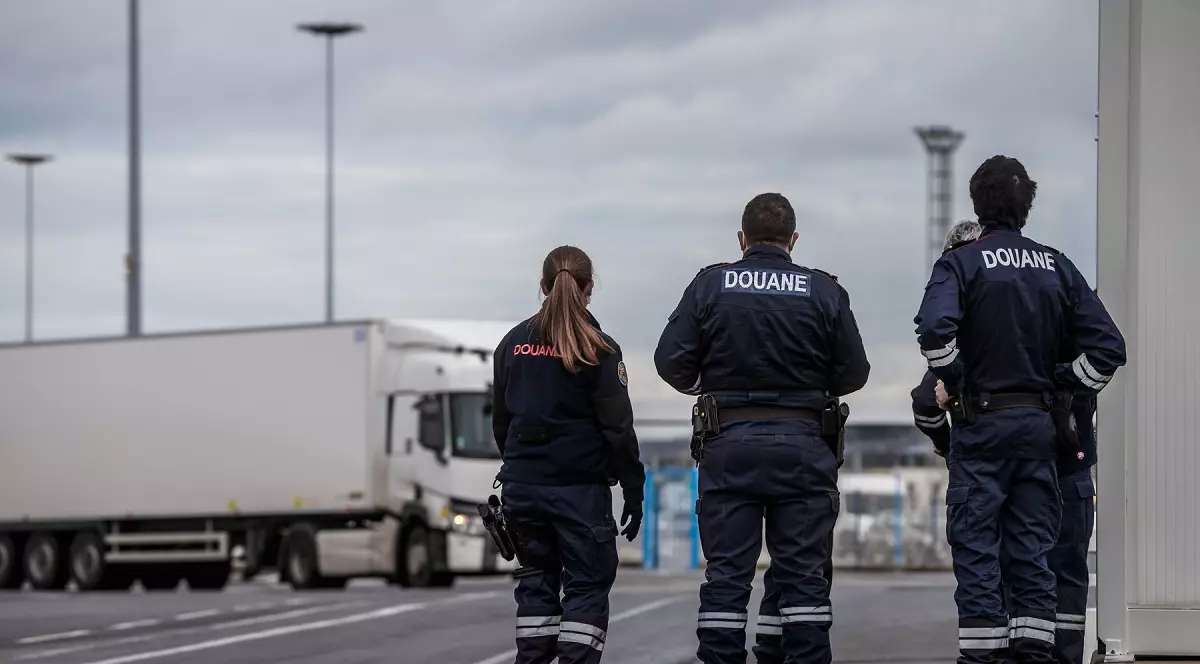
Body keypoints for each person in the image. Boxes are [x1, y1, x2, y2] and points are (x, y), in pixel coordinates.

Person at [914, 155, 1125, 664]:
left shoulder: (961, 263)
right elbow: (1109, 349)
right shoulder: (1058, 267)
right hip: (1042, 437)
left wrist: (956, 381)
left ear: (976, 204)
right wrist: (1061, 386)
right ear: (1027, 206)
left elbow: (933, 332)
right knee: (1035, 560)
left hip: (983, 430)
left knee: (981, 558)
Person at [654, 192, 870, 664]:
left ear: (742, 238)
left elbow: (669, 361)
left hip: (729, 447)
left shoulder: (711, 285)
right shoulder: (824, 290)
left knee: (727, 578)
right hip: (804, 450)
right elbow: (854, 375)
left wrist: (707, 384)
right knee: (804, 580)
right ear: (793, 240)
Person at [490, 245, 646, 664]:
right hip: (579, 493)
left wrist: (524, 468)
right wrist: (633, 488)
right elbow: (618, 429)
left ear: (542, 286)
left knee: (536, 586)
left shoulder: (511, 345)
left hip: (523, 492)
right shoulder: (599, 348)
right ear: (589, 287)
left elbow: (501, 423)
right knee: (586, 588)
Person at [911, 220, 984, 460]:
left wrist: (946, 446)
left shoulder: (952, 272)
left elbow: (925, 402)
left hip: (977, 457)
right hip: (1039, 447)